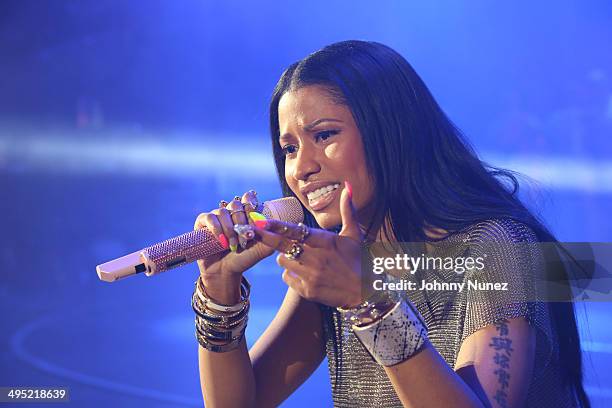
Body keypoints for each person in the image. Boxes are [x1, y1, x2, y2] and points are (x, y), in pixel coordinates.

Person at [192, 40, 590, 407]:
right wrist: (218, 288)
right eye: (290, 149)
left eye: (324, 135)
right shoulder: (337, 256)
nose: (301, 168)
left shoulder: (499, 245)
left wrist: (369, 301)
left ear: (390, 131)